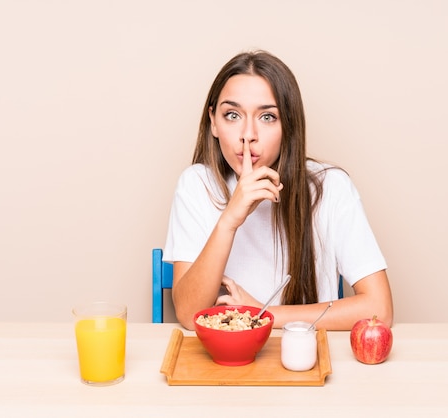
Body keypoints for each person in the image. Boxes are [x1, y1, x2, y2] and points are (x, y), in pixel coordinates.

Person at [163, 50, 393, 331]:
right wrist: (229, 220)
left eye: (268, 117)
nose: (248, 134)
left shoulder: (331, 187)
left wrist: (262, 314)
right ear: (213, 121)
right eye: (232, 115)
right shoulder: (196, 185)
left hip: (303, 356)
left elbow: (379, 309)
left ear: (288, 125)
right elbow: (188, 315)